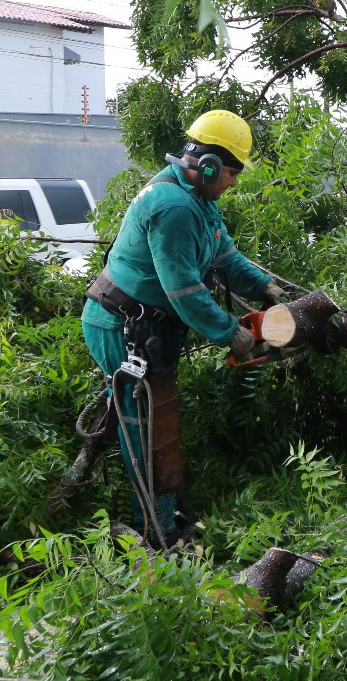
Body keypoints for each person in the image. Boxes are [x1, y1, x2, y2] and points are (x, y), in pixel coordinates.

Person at [81, 110, 282, 548]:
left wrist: (265, 287)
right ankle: (154, 533)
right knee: (146, 430)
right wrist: (230, 331)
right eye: (230, 172)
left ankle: (163, 516)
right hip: (123, 328)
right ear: (207, 164)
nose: (233, 182)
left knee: (161, 423)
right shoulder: (173, 206)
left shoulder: (198, 200)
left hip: (149, 328)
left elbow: (224, 258)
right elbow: (185, 292)